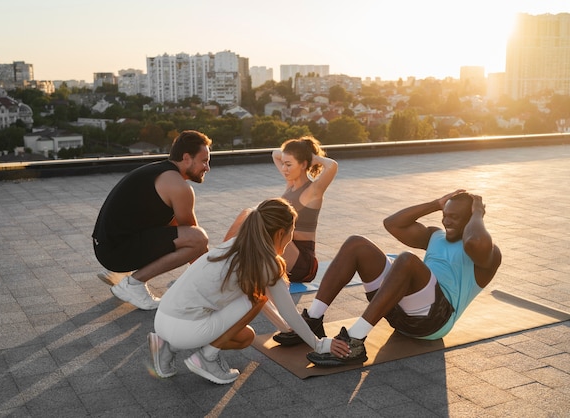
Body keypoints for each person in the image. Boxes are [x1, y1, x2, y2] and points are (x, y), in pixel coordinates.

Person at [147, 198, 350, 384]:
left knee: (246, 337)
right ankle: (206, 358)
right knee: (256, 298)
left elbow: (274, 309)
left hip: (163, 320)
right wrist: (320, 345)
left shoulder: (235, 244)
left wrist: (285, 328)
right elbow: (285, 310)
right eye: (292, 230)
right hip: (185, 327)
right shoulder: (267, 263)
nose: (291, 237)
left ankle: (166, 348)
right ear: (281, 233)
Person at [289, 190, 502, 367]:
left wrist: (478, 212)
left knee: (407, 260)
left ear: (471, 218)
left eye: (454, 217)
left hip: (433, 321)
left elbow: (474, 241)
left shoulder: (487, 255)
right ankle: (312, 321)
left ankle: (354, 341)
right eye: (445, 215)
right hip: (399, 312)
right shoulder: (434, 236)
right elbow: (392, 224)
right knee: (357, 244)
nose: (446, 221)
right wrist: (436, 204)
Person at [92, 130, 212, 310]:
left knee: (183, 234)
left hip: (106, 247)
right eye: (204, 161)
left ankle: (124, 274)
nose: (207, 168)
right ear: (187, 158)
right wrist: (211, 279)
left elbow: (176, 230)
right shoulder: (178, 186)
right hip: (115, 252)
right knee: (198, 238)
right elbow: (195, 240)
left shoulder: (159, 171)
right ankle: (133, 285)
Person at [224, 136, 338, 284]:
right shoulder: (291, 184)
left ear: (303, 165)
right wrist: (299, 151)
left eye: (289, 165)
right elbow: (275, 153)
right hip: (283, 248)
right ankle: (223, 257)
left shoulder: (312, 191)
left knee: (260, 221)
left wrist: (311, 157)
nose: (284, 168)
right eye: (283, 164)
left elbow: (332, 165)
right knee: (247, 214)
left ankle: (226, 262)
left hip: (302, 262)